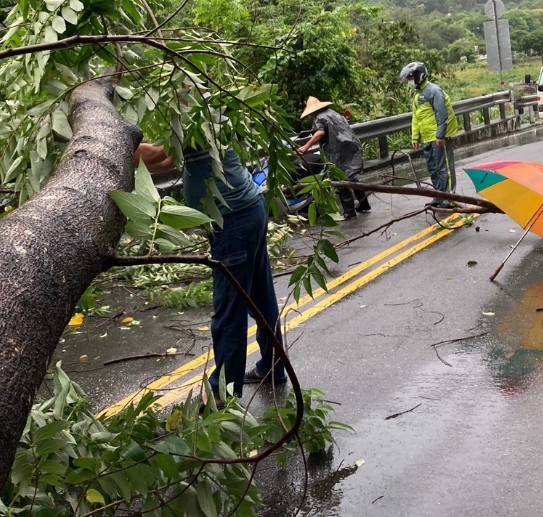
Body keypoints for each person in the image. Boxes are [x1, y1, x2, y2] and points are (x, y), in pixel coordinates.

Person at [135, 141, 287, 406]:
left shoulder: (196, 116)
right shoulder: (210, 109)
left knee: (229, 311)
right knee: (261, 298)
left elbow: (155, 155)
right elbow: (168, 161)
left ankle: (222, 393)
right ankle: (272, 367)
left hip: (232, 221)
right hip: (247, 210)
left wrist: (110, 140)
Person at [295, 96, 371, 219]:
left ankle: (349, 211)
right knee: (352, 177)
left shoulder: (320, 118)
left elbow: (320, 133)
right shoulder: (333, 113)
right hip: (350, 146)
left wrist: (305, 147)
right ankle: (364, 204)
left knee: (339, 180)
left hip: (338, 152)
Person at [400, 61, 460, 208]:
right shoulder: (418, 94)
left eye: (410, 78)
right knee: (433, 168)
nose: (409, 82)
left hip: (438, 137)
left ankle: (450, 197)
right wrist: (415, 137)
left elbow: (442, 114)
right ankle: (439, 195)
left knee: (444, 167)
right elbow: (416, 117)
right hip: (427, 138)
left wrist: (440, 135)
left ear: (419, 76)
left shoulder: (434, 91)